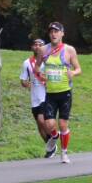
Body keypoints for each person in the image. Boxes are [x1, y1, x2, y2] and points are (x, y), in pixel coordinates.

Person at [37, 22, 82, 164]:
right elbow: (37, 67)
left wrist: (73, 73)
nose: (53, 34)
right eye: (51, 32)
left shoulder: (69, 50)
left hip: (65, 93)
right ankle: (54, 136)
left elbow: (78, 69)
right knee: (49, 124)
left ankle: (64, 153)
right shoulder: (43, 50)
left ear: (62, 33)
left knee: (63, 124)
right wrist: (41, 75)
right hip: (50, 93)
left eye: (56, 31)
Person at [19, 38, 57, 158]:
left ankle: (53, 138)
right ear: (32, 47)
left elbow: (56, 76)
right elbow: (23, 80)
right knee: (39, 126)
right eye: (35, 44)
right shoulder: (27, 63)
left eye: (40, 44)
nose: (37, 46)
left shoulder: (49, 61)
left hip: (47, 95)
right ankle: (51, 146)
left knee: (42, 120)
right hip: (34, 97)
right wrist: (25, 84)